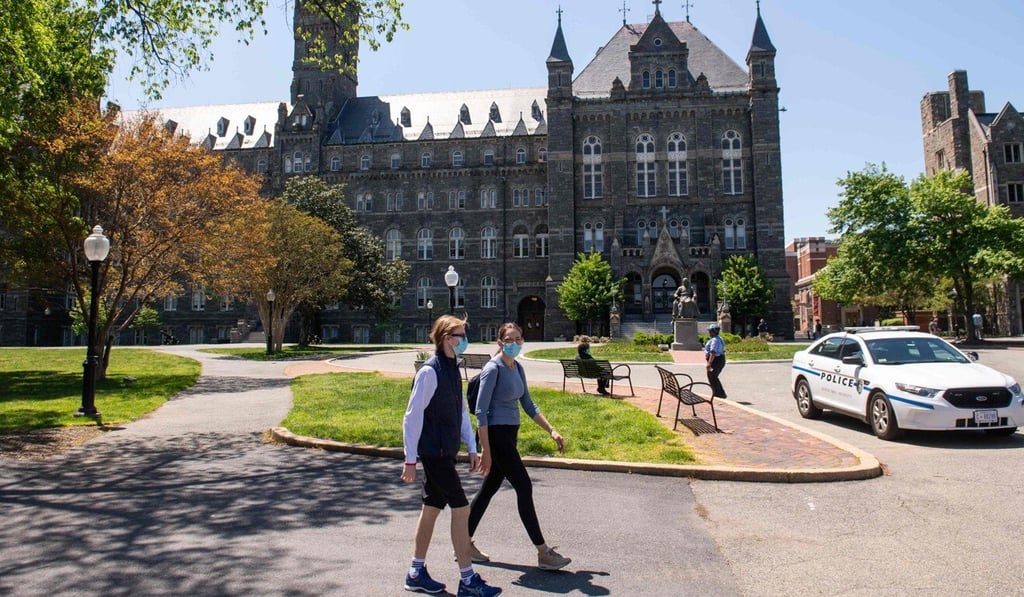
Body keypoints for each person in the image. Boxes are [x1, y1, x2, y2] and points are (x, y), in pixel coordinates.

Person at [401, 315, 502, 596]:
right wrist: (410, 459)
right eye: (460, 335)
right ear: (447, 338)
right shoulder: (429, 371)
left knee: (432, 508)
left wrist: (471, 446)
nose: (464, 340)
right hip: (433, 452)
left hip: (446, 451)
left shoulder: (451, 368)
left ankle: (416, 571)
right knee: (461, 508)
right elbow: (412, 417)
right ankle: (468, 580)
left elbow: (459, 412)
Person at [468, 322, 572, 572]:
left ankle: (462, 542)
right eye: (509, 339)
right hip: (495, 435)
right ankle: (543, 552)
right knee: (524, 487)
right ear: (500, 342)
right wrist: (485, 448)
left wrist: (552, 430)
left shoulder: (518, 368)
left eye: (518, 338)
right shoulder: (493, 369)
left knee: (489, 488)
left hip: (510, 434)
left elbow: (529, 404)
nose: (514, 343)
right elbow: (481, 411)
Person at [704, 322, 727, 398]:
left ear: (714, 331)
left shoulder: (715, 340)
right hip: (719, 359)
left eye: (710, 331)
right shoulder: (718, 339)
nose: (709, 332)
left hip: (716, 360)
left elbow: (713, 352)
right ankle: (718, 393)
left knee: (712, 376)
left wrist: (709, 363)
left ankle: (719, 394)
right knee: (712, 376)